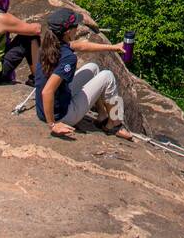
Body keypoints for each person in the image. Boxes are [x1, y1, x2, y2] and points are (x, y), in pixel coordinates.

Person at [35, 8, 133, 141]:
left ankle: (102, 115)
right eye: (76, 26)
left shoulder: (49, 44)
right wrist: (53, 124)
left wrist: (113, 47)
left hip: (44, 109)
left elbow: (80, 46)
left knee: (92, 68)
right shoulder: (68, 58)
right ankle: (115, 124)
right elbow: (47, 91)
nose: (77, 28)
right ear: (68, 31)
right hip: (62, 116)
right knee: (108, 76)